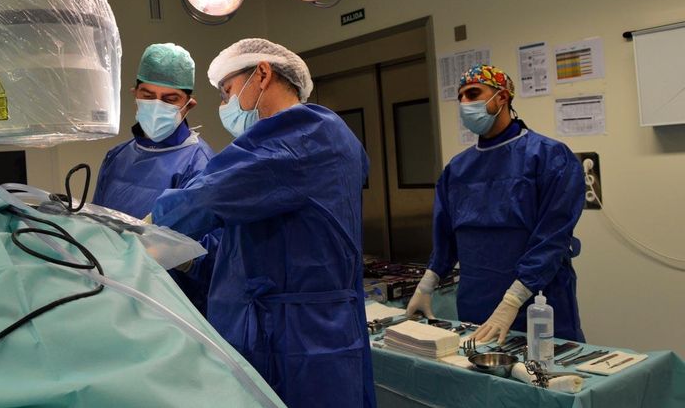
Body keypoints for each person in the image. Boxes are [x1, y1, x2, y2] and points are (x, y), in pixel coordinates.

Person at [150, 38, 376, 408]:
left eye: (227, 92)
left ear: (262, 74)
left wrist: (142, 227)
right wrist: (193, 257)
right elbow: (256, 240)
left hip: (295, 342)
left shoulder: (301, 135)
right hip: (303, 331)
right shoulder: (311, 139)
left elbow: (204, 199)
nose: (225, 105)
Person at [407, 64, 585, 343]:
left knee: (547, 374)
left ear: (502, 97)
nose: (466, 103)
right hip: (475, 302)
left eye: (474, 93)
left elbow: (552, 238)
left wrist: (512, 301)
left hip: (537, 301)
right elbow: (446, 236)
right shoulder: (457, 169)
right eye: (461, 97)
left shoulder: (549, 157)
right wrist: (426, 285)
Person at [92, 42, 217, 313]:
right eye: (148, 95)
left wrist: (176, 255)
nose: (156, 104)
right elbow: (98, 227)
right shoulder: (117, 156)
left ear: (189, 104)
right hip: (116, 294)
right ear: (134, 93)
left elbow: (210, 261)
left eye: (170, 99)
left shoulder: (200, 163)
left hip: (171, 307)